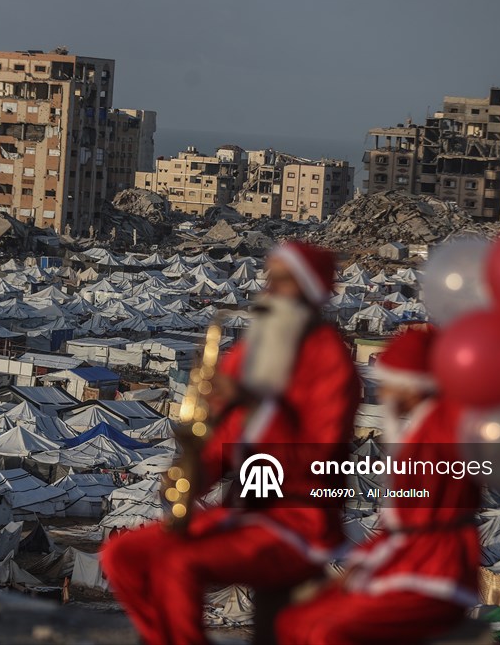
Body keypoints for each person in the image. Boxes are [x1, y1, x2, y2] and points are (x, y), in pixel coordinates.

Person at [101, 241, 360, 645]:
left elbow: (320, 455)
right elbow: (222, 441)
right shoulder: (251, 354)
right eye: (268, 277)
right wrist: (190, 473)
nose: (268, 288)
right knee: (123, 556)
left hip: (298, 522)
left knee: (179, 563)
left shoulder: (330, 362)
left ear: (310, 290)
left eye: (282, 280)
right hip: (241, 512)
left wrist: (252, 402)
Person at [276, 327, 482, 644]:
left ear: (412, 387)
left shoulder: (443, 427)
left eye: (389, 385)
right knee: (295, 619)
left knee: (322, 630)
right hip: (411, 561)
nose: (383, 395)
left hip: (434, 574)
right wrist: (361, 564)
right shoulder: (420, 428)